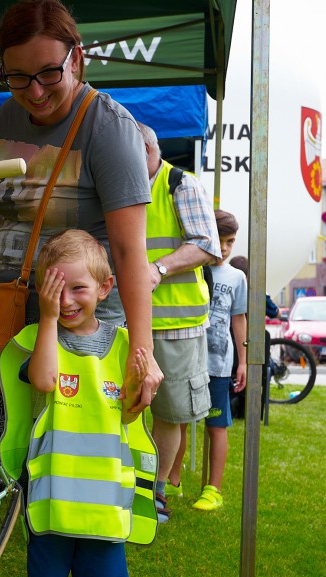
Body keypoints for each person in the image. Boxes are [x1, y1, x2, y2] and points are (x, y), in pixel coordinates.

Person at [0, 0, 162, 577]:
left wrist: (140, 354)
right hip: (3, 313)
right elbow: (6, 214)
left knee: (77, 472)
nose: (32, 92)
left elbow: (128, 253)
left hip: (84, 331)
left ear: (78, 58)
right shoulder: (7, 118)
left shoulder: (109, 128)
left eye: (46, 75)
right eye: (15, 77)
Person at [0, 230, 150, 577]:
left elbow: (130, 410)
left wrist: (140, 390)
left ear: (105, 289)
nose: (65, 300)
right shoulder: (38, 339)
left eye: (78, 288)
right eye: (54, 288)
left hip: (104, 506)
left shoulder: (123, 345)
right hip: (52, 500)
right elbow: (44, 381)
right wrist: (45, 320)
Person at [135, 122, 220, 521]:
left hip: (176, 323)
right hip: (127, 318)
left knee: (169, 413)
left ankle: (154, 493)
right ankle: (129, 487)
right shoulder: (124, 184)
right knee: (128, 407)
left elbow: (207, 244)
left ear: (150, 150)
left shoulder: (180, 184)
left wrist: (159, 268)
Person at [191, 210, 246, 510]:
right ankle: (171, 482)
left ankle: (214, 488)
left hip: (219, 366)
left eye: (231, 241)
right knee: (181, 420)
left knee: (217, 424)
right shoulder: (193, 269)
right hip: (189, 358)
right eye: (220, 240)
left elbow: (239, 319)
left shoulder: (237, 277)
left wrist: (244, 361)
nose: (224, 248)